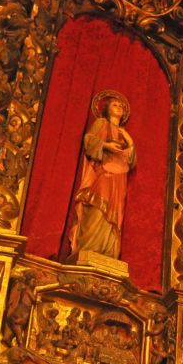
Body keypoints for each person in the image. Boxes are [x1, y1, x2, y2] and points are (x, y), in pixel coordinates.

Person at [68, 92, 136, 261]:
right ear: (106, 109)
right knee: (98, 209)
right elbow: (89, 140)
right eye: (115, 104)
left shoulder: (123, 133)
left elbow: (131, 160)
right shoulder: (101, 123)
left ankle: (108, 253)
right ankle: (88, 247)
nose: (119, 107)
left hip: (119, 178)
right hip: (103, 174)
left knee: (115, 214)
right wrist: (106, 145)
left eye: (121, 106)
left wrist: (130, 143)